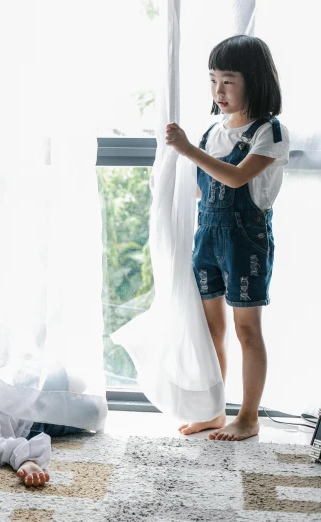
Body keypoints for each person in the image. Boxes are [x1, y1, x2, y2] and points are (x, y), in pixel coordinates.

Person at [164, 35, 289, 441]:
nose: (219, 90)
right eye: (213, 80)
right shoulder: (211, 133)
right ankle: (213, 410)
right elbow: (203, 189)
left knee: (246, 330)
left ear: (253, 80)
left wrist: (185, 150)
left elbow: (235, 177)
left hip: (245, 241)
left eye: (229, 80)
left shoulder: (269, 132)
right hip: (208, 239)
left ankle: (248, 417)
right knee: (209, 328)